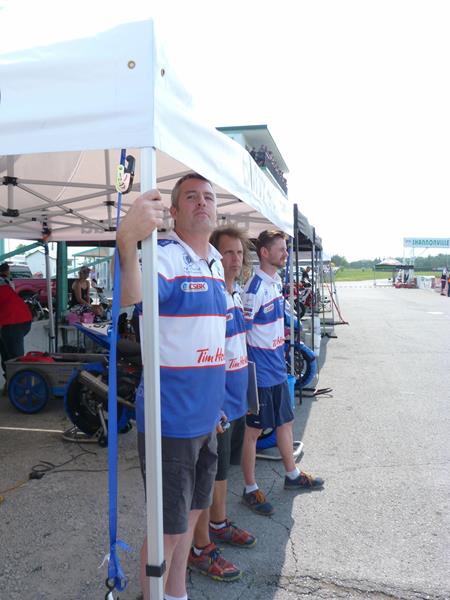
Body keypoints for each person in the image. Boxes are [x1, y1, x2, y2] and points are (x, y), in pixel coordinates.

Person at [117, 173, 227, 600]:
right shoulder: (162, 254)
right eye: (191, 197)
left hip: (206, 419)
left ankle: (176, 593)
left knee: (190, 519)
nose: (202, 203)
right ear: (174, 211)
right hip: (171, 421)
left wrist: (218, 407)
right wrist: (127, 241)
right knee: (166, 531)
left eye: (208, 197)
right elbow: (131, 295)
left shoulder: (215, 261)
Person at [241, 230, 324, 516]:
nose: (286, 254)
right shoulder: (254, 289)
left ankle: (292, 474)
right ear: (265, 252)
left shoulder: (275, 282)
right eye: (281, 249)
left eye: (286, 250)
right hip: (260, 373)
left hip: (277, 368)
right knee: (253, 432)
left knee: (286, 423)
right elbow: (241, 334)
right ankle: (249, 489)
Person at [188, 226, 255, 582]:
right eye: (228, 252)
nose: (235, 259)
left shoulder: (236, 294)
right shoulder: (213, 295)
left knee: (222, 472)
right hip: (219, 403)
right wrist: (216, 406)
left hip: (236, 399)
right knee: (207, 475)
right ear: (215, 256)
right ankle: (200, 547)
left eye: (239, 253)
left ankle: (219, 523)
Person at [0, 272, 33, 394]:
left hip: (14, 322)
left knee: (15, 358)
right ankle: (11, 383)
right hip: (19, 320)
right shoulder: (4, 285)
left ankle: (21, 387)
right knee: (6, 355)